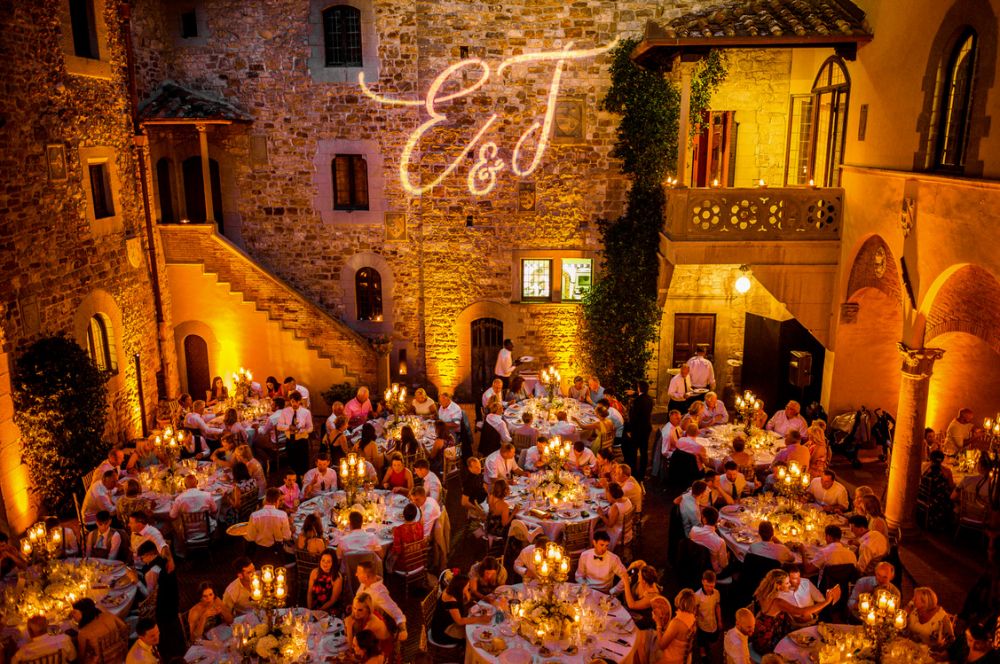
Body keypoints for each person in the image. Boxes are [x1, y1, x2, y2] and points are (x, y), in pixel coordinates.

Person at [751, 570, 838, 654]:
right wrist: (826, 602)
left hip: (758, 635)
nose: (789, 585)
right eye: (787, 583)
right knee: (801, 648)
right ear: (778, 586)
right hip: (768, 640)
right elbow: (802, 612)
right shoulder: (778, 602)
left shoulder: (763, 593)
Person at [353, 560, 408, 640]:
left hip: (371, 633)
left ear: (365, 577)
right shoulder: (364, 583)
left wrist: (403, 630)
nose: (356, 574)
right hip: (359, 621)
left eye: (358, 572)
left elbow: (397, 614)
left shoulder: (379, 594)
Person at [430, 573, 489, 645]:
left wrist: (466, 592)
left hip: (445, 622)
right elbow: (460, 621)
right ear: (460, 587)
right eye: (467, 586)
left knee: (474, 625)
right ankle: (464, 650)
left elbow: (465, 601)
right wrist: (481, 618)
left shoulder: (451, 589)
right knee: (473, 635)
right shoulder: (450, 600)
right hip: (442, 632)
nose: (469, 587)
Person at [73, 597, 128, 664]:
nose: (73, 615)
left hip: (103, 661)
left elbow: (81, 655)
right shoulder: (108, 615)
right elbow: (124, 628)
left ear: (83, 613)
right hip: (121, 653)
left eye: (75, 612)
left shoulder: (83, 632)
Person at [652, 588, 698, 664]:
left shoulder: (677, 623)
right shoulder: (693, 619)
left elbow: (661, 645)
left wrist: (658, 623)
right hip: (683, 660)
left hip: (671, 660)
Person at [11, 614, 76, 663]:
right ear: (48, 627)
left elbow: (13, 662)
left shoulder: (24, 651)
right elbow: (73, 658)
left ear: (30, 632)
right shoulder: (64, 639)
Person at [245, 487, 292, 555]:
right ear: (277, 500)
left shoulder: (254, 515)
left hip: (259, 550)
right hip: (277, 550)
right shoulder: (283, 515)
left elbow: (250, 537)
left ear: (266, 499)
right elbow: (287, 537)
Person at [345, 594, 393, 659]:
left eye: (360, 610)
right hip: (371, 647)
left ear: (368, 609)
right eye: (354, 608)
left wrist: (349, 627)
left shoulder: (371, 624)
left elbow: (352, 648)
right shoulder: (366, 615)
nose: (356, 612)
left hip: (382, 653)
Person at [277, 390, 313, 479]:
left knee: (303, 464)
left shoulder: (306, 412)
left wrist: (303, 430)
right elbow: (279, 426)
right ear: (290, 401)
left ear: (300, 401)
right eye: (293, 401)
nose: (295, 404)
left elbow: (310, 428)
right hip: (290, 441)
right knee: (292, 464)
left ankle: (303, 481)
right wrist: (288, 427)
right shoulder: (285, 412)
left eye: (297, 401)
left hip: (302, 441)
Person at [918, 450, 955, 530]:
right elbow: (951, 486)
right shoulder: (946, 471)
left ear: (930, 458)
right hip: (936, 500)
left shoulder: (923, 466)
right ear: (942, 460)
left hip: (922, 495)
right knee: (953, 497)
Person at [689, 507, 729, 575]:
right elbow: (723, 565)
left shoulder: (694, 530)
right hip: (712, 571)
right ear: (716, 521)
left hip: (695, 564)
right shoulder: (720, 542)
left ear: (704, 519)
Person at [627, 380, 654, 478]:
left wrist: (629, 429)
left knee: (633, 450)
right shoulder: (650, 399)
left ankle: (633, 471)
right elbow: (642, 397)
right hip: (646, 427)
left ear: (639, 388)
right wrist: (635, 394)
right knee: (644, 451)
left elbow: (634, 417)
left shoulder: (637, 401)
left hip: (637, 429)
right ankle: (642, 472)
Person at [694, 570, 723, 660]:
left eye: (711, 586)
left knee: (713, 638)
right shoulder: (697, 595)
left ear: (715, 583)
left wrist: (719, 621)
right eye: (707, 586)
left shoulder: (716, 593)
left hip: (713, 622)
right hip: (702, 624)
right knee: (701, 639)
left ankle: (709, 647)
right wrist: (694, 624)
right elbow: (695, 610)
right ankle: (702, 652)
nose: (709, 588)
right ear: (703, 581)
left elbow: (717, 606)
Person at [387, 503, 423, 573]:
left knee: (387, 552)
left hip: (404, 566)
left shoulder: (398, 530)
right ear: (415, 516)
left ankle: (388, 575)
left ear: (403, 515)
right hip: (418, 562)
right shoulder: (420, 526)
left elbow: (397, 551)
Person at [307, 548, 344, 613]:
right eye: (323, 560)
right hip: (314, 607)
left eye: (328, 561)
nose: (325, 564)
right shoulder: (314, 572)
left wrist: (318, 611)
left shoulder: (337, 577)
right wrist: (310, 609)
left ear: (333, 563)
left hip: (329, 609)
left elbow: (333, 600)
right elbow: (309, 593)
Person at [599, 482, 633, 549]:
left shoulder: (615, 507)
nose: (606, 496)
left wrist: (601, 514)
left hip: (617, 535)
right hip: (627, 532)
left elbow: (610, 525)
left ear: (611, 495)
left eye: (607, 493)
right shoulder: (627, 500)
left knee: (596, 530)